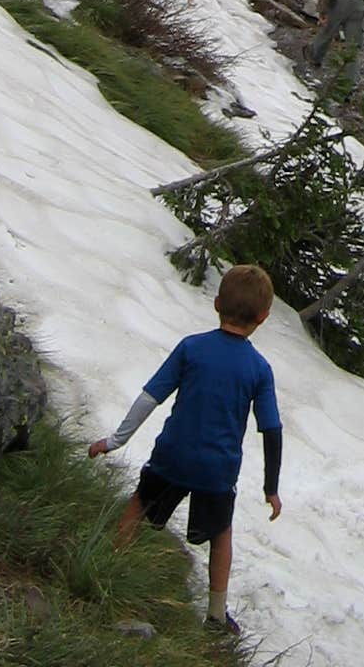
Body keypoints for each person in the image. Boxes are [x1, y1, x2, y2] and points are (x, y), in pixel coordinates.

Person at [87, 263, 282, 638]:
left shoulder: (192, 348)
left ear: (216, 303)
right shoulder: (259, 369)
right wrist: (270, 487)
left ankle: (107, 571)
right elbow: (271, 430)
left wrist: (115, 440)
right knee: (221, 532)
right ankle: (215, 616)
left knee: (139, 504)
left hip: (172, 455)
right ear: (263, 317)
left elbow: (150, 397)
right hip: (217, 469)